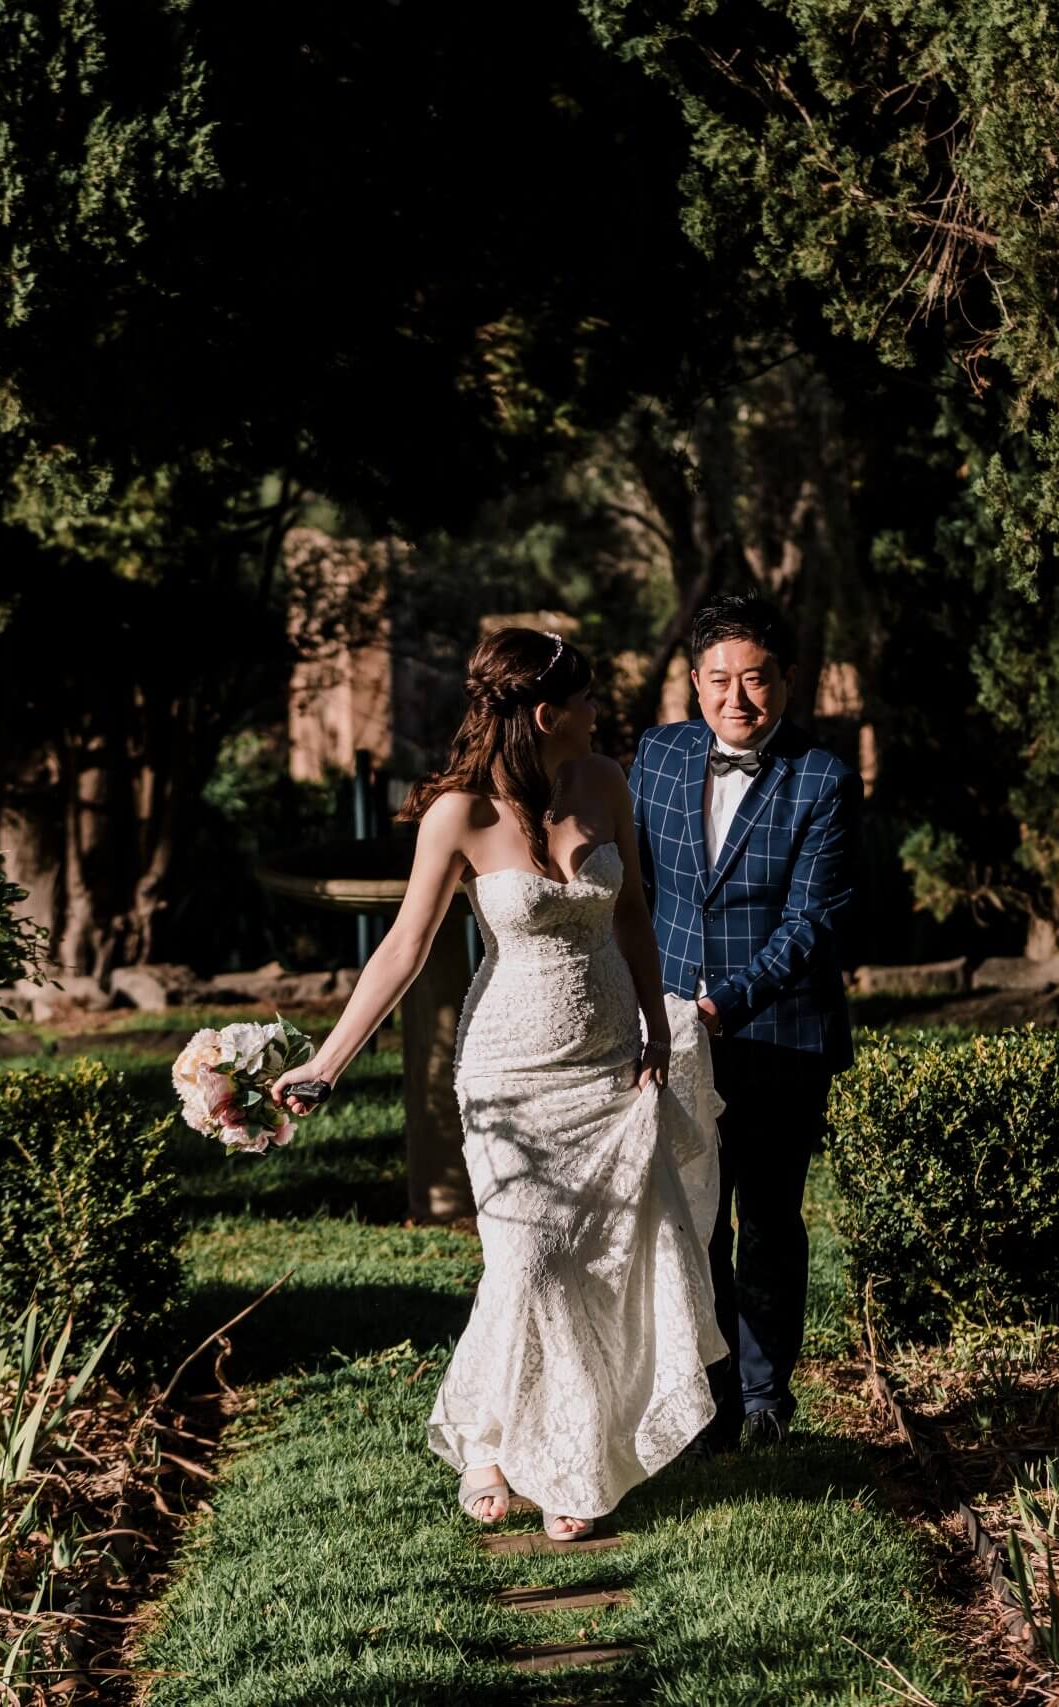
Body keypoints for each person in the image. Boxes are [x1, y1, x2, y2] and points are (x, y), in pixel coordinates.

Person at [274, 628, 724, 1542]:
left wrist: (651, 1023)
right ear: (546, 711)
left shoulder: (602, 781)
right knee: (530, 1263)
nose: (601, 711)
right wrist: (326, 1062)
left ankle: (569, 1461)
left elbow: (632, 910)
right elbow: (404, 947)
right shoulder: (458, 814)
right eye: (588, 697)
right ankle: (490, 1437)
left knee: (594, 1266)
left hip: (606, 1062)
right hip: (509, 1072)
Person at [630, 593, 855, 1453]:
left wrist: (725, 1002)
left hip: (778, 1036)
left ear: (786, 683)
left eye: (754, 680)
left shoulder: (822, 779)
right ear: (694, 683)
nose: (737, 698)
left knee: (767, 1217)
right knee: (691, 1218)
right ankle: (708, 1399)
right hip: (672, 1038)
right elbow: (631, 892)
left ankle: (765, 1397)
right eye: (719, 680)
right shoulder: (654, 757)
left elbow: (812, 924)